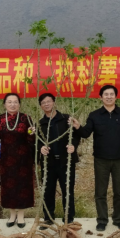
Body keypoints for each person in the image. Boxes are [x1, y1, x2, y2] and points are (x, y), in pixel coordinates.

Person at [71, 85, 120, 231]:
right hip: (101, 159)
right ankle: (102, 220)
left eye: (112, 94)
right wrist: (78, 126)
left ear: (116, 97)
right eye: (106, 94)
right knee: (100, 192)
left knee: (119, 191)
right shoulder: (94, 115)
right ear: (100, 97)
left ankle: (118, 219)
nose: (109, 97)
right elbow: (86, 133)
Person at [0, 93, 35, 228]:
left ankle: (21, 215)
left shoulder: (26, 118)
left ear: (19, 104)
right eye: (9, 102)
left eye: (15, 102)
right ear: (4, 104)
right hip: (6, 159)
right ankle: (12, 214)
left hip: (23, 160)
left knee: (22, 187)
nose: (12, 104)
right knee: (8, 186)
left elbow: (31, 140)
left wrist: (32, 133)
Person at [37, 93, 81, 228]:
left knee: (67, 191)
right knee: (48, 191)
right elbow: (36, 141)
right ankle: (48, 218)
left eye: (49, 101)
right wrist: (41, 148)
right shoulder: (39, 124)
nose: (46, 104)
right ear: (41, 106)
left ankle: (69, 219)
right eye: (43, 102)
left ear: (54, 102)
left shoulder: (66, 119)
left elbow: (77, 135)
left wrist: (73, 145)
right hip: (48, 163)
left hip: (66, 161)